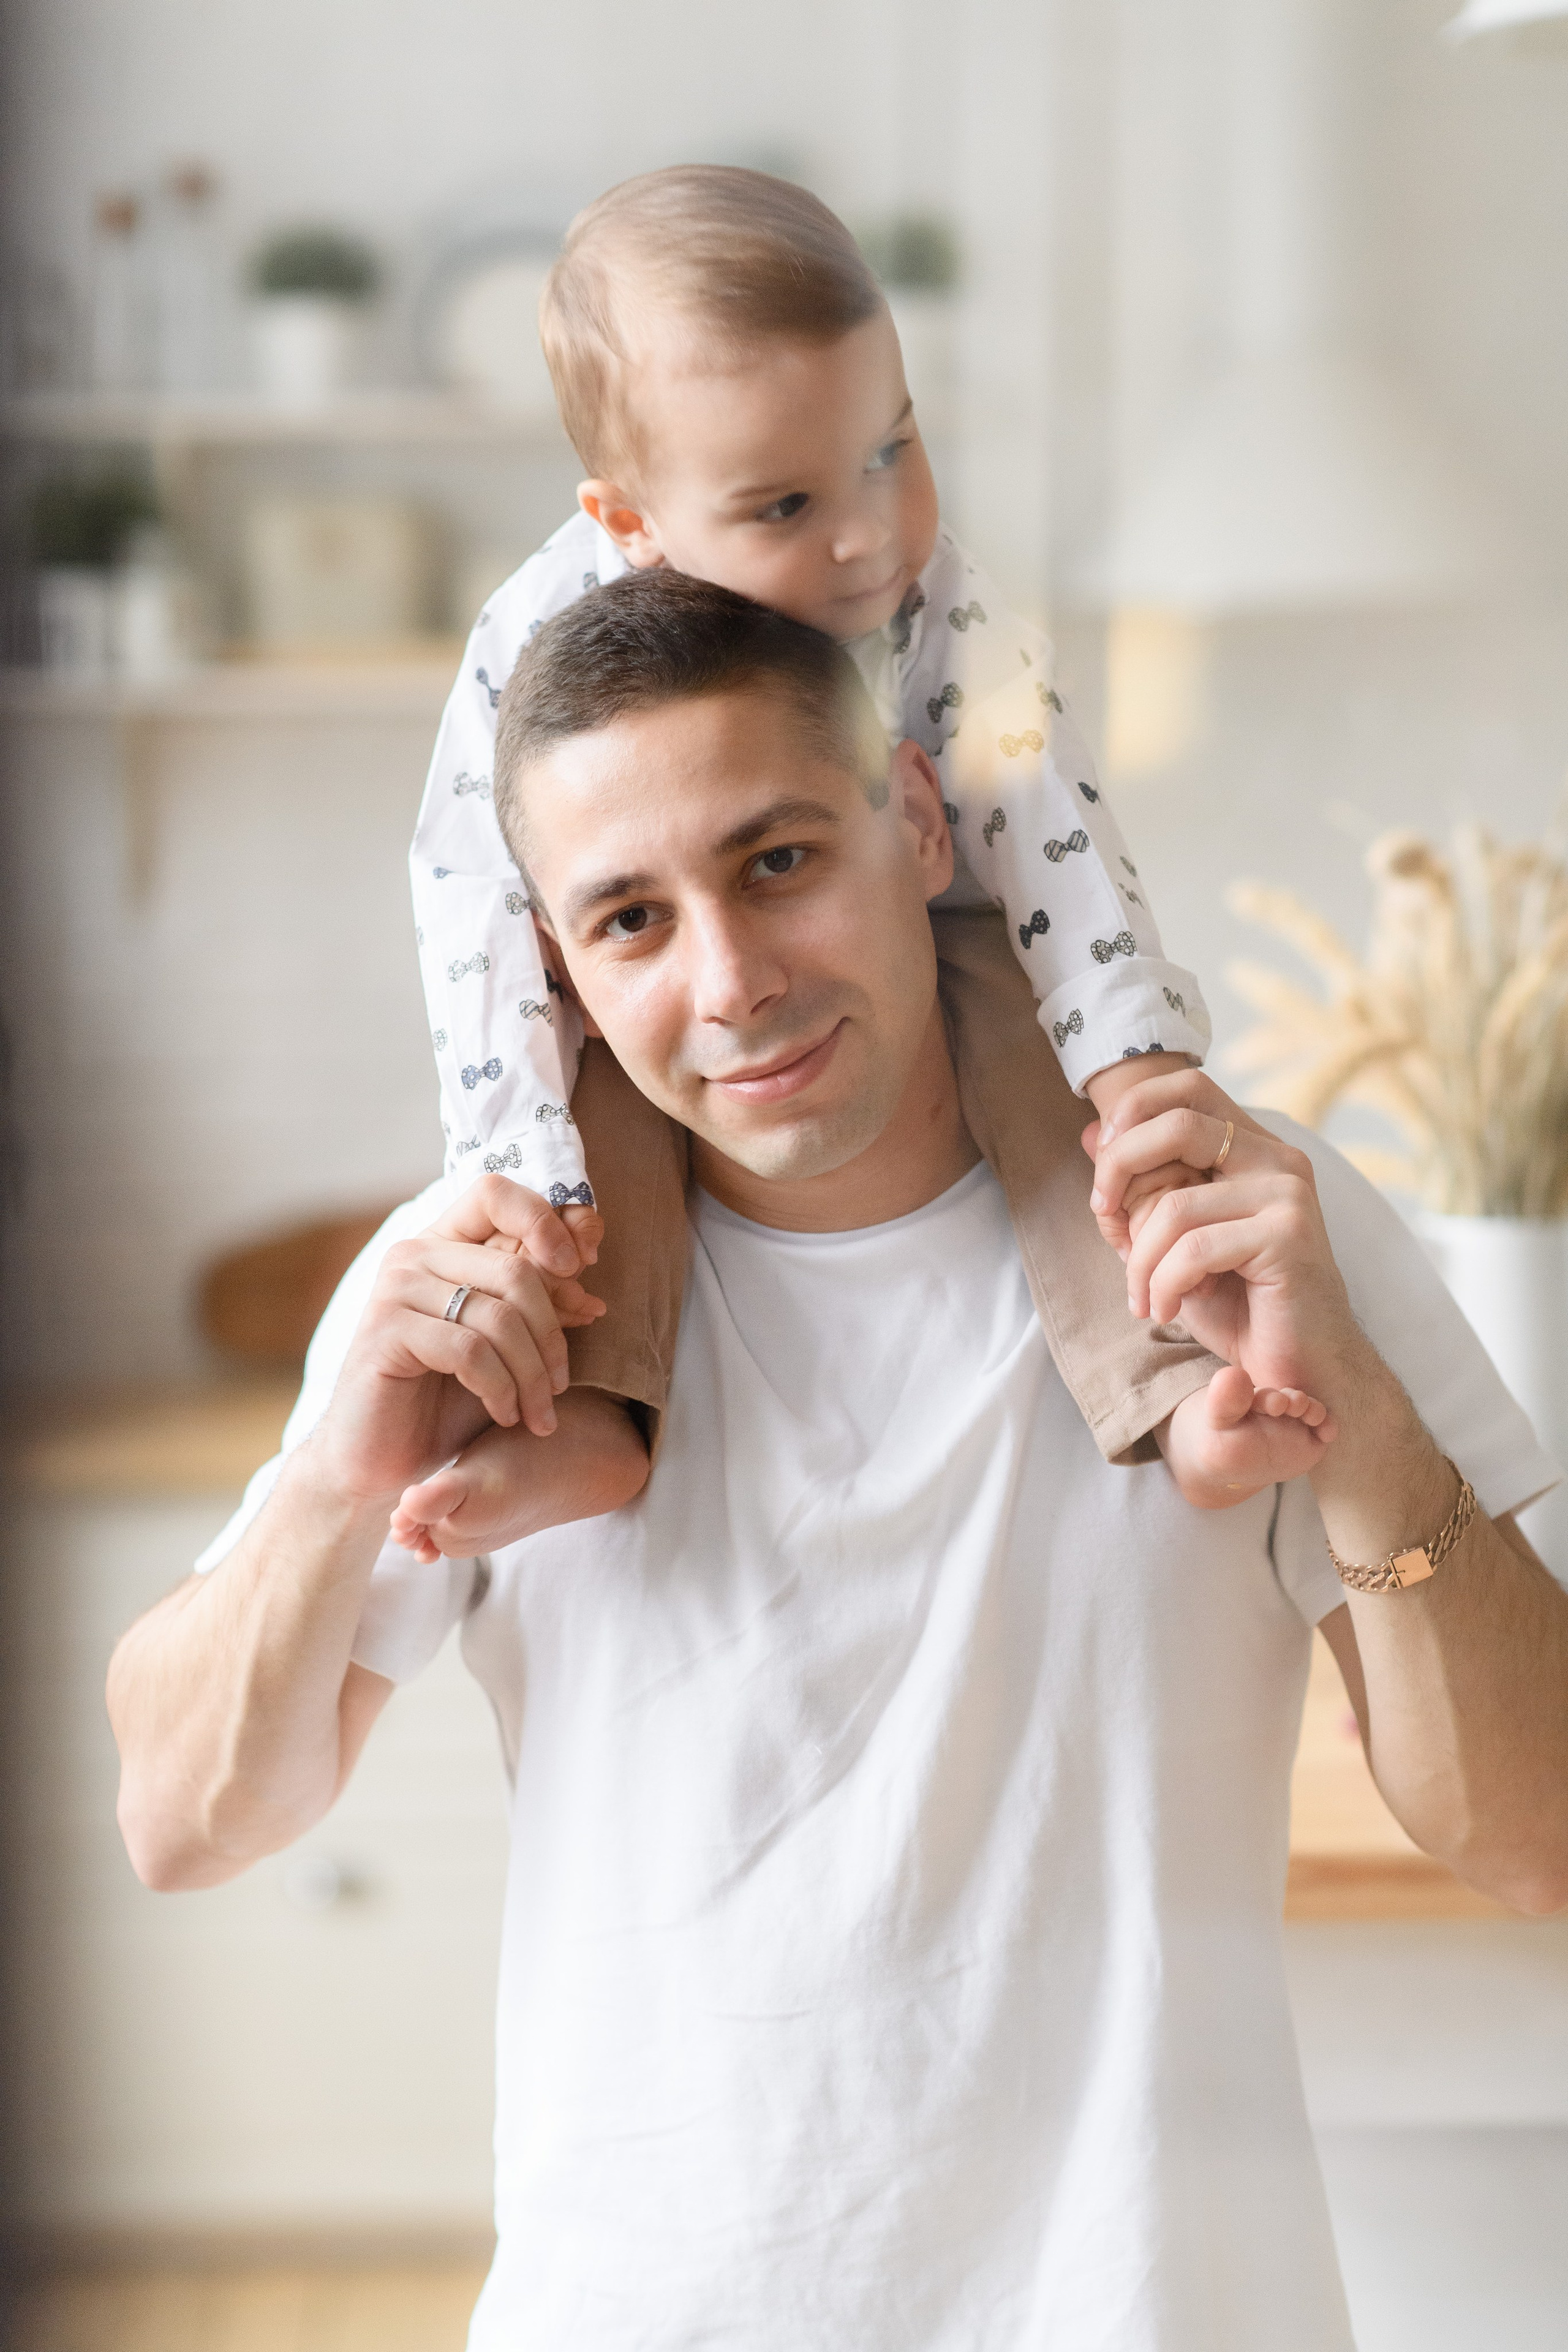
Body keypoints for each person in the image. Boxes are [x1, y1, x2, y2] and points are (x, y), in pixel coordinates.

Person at [110, 573, 1568, 2352]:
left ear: (917, 820)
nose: (730, 984)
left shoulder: (1236, 1238)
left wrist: (1367, 1427)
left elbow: (1538, 1840)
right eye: (631, 921)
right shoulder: (500, 1297)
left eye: (778, 859)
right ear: (557, 968)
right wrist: (336, 1488)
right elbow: (183, 1818)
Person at [408, 164, 1224, 1531]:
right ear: (630, 524)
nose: (866, 538)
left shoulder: (937, 585)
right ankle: (592, 1416)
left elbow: (1044, 812)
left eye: (890, 451)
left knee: (1057, 1094)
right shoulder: (539, 639)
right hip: (628, 1027)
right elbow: (470, 899)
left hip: (943, 908)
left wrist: (1134, 1055)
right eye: (782, 508)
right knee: (607, 1119)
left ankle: (1172, 1380)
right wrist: (517, 1161)